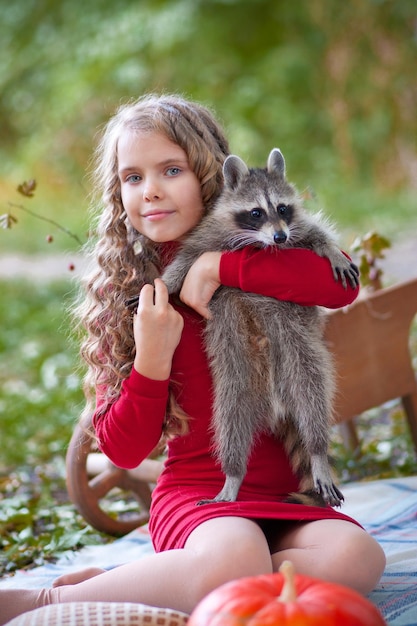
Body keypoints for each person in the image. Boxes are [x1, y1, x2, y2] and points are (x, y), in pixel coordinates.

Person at [0, 94, 385, 624]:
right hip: (200, 497)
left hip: (283, 497)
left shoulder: (255, 241)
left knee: (357, 558)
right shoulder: (134, 292)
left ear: (208, 177)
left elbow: (338, 282)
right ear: (119, 194)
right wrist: (151, 359)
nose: (151, 189)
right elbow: (123, 449)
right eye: (132, 178)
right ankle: (49, 600)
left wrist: (219, 267)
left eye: (171, 170)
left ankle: (165, 580)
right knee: (235, 555)